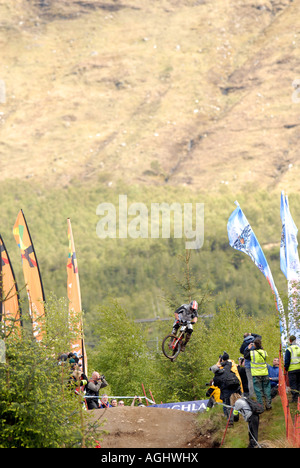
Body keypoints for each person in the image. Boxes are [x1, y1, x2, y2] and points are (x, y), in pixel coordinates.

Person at [244, 337, 272, 410]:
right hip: (265, 373)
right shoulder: (264, 352)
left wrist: (248, 348)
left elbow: (245, 356)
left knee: (258, 391)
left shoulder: (252, 353)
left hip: (256, 375)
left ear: (254, 345)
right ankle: (268, 405)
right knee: (267, 390)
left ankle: (260, 407)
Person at [240, 333, 261, 397]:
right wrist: (251, 333)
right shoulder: (255, 341)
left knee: (250, 380)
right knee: (258, 379)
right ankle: (259, 394)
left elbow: (242, 352)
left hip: (248, 365)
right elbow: (259, 336)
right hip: (256, 364)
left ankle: (252, 395)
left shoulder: (244, 344)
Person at [284, 335, 300, 403]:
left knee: (293, 384)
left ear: (290, 340)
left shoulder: (289, 349)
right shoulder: (299, 348)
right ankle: (299, 397)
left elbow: (287, 361)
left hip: (292, 370)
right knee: (299, 383)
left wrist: (286, 369)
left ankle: (295, 399)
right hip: (299, 369)